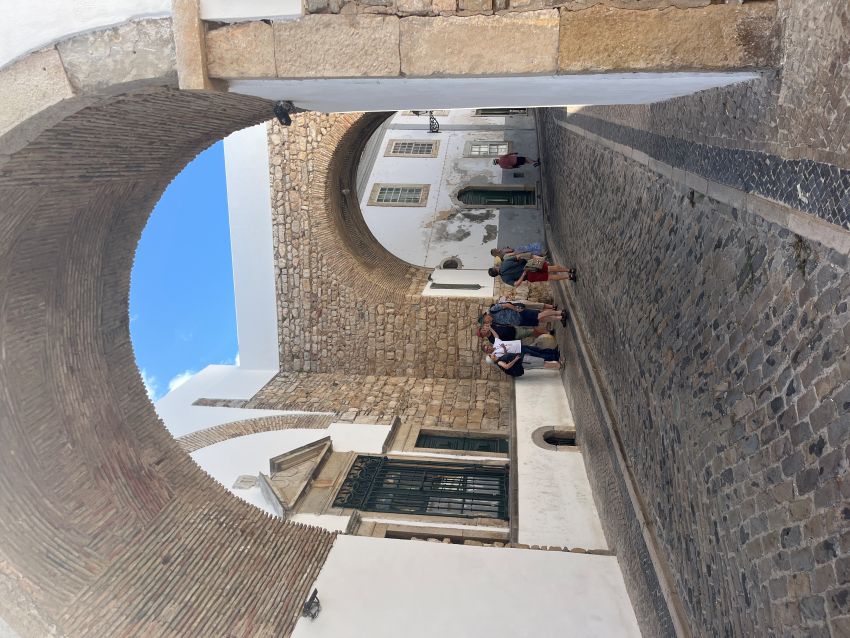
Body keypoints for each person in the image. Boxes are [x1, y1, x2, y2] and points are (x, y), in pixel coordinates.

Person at [488, 256, 576, 287]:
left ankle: (569, 277)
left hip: (529, 276)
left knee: (549, 277)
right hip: (530, 263)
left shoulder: (504, 279)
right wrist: (531, 256)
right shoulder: (505, 262)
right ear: (495, 268)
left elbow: (516, 284)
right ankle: (569, 270)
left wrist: (524, 274)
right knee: (550, 268)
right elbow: (518, 257)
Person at [485, 302, 565, 328]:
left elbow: (506, 305)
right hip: (519, 322)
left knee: (539, 315)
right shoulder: (494, 322)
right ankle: (559, 318)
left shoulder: (493, 310)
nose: (488, 322)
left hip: (519, 313)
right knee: (540, 320)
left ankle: (559, 312)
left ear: (486, 316)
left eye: (486, 320)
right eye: (486, 322)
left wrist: (516, 309)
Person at [490, 351, 561, 377]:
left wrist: (504, 348)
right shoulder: (499, 362)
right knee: (541, 363)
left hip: (523, 359)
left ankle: (557, 364)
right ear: (492, 359)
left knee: (541, 361)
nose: (492, 354)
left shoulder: (499, 358)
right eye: (490, 355)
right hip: (523, 362)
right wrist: (515, 360)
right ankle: (558, 365)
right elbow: (507, 366)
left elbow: (507, 357)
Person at [482, 341, 560, 362]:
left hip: (519, 345)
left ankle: (553, 351)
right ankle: (554, 357)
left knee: (538, 349)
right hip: (519, 352)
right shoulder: (495, 355)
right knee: (537, 355)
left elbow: (496, 335)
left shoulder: (496, 344)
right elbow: (506, 357)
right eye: (487, 350)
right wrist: (504, 348)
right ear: (487, 352)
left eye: (487, 347)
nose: (488, 348)